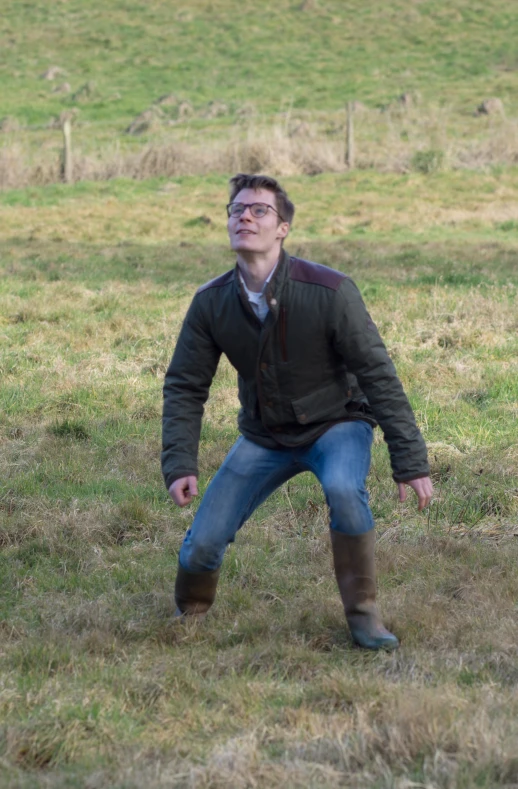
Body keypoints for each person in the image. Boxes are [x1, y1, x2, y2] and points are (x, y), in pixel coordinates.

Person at [162, 173, 433, 651]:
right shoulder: (211, 303)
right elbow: (185, 385)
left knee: (344, 491)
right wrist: (180, 462)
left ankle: (365, 618)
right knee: (203, 542)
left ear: (283, 227)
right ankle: (190, 612)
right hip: (265, 435)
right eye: (235, 209)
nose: (244, 216)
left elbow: (377, 373)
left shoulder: (330, 291)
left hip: (338, 422)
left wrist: (409, 461)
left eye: (259, 210)